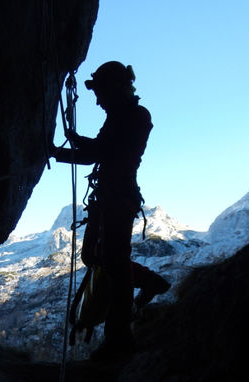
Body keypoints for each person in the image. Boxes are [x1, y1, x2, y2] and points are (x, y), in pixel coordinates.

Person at [51, 61, 170, 360]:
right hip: (109, 197)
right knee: (94, 256)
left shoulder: (136, 116)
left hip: (118, 197)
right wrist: (69, 146)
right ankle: (151, 283)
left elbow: (99, 152)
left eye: (101, 92)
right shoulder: (121, 115)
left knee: (115, 264)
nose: (98, 100)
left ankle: (119, 339)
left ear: (116, 88)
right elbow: (99, 150)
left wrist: (56, 151)